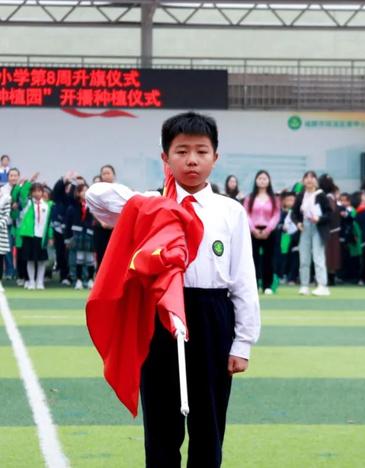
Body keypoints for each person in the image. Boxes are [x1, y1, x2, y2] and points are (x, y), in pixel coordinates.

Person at [86, 111, 260, 467]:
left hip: (211, 314)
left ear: (216, 156)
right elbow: (97, 198)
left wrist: (243, 343)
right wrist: (151, 203)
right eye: (181, 151)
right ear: (165, 157)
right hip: (160, 317)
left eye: (201, 151)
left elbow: (243, 279)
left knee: (208, 426)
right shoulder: (149, 206)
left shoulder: (230, 211)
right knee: (162, 426)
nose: (192, 160)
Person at [291, 170, 332, 296]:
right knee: (303, 258)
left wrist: (319, 218)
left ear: (316, 180)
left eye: (312, 177)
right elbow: (294, 213)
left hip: (318, 227)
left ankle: (322, 285)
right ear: (303, 181)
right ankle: (304, 285)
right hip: (305, 227)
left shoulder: (321, 195)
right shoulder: (300, 196)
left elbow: (329, 213)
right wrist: (298, 223)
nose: (309, 180)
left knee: (318, 257)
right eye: (306, 177)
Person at [243, 170, 280, 294]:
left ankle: (267, 285)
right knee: (253, 258)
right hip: (253, 230)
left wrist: (268, 229)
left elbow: (276, 215)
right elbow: (246, 214)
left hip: (269, 231)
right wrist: (253, 229)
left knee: (268, 259)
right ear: (256, 180)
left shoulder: (274, 198)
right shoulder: (250, 198)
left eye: (265, 178)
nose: (262, 181)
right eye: (260, 178)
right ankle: (254, 284)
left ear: (269, 181)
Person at [16, 182, 53, 290]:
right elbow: (22, 193)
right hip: (30, 236)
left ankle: (39, 281)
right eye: (34, 191)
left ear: (42, 192)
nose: (37, 193)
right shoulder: (27, 204)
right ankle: (31, 281)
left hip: (42, 237)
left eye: (39, 191)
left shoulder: (47, 205)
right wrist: (29, 181)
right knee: (30, 260)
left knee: (42, 260)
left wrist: (50, 236)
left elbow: (49, 223)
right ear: (31, 193)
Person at [65, 183, 96, 290]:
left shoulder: (93, 206)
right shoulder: (73, 206)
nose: (85, 193)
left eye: (87, 190)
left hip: (89, 234)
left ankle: (90, 279)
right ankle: (78, 280)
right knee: (79, 258)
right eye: (82, 190)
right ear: (78, 193)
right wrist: (67, 239)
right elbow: (68, 223)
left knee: (90, 258)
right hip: (77, 234)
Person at [319, 174, 342, 285]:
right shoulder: (329, 197)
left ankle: (329, 278)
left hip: (329, 229)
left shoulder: (327, 197)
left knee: (329, 254)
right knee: (330, 255)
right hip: (331, 229)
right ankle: (329, 278)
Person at [93, 165, 116, 270]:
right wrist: (103, 222)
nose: (106, 176)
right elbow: (93, 208)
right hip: (100, 227)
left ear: (114, 175)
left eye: (108, 173)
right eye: (104, 174)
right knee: (101, 256)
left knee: (114, 256)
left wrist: (114, 223)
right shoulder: (97, 191)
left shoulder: (118, 190)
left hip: (115, 229)